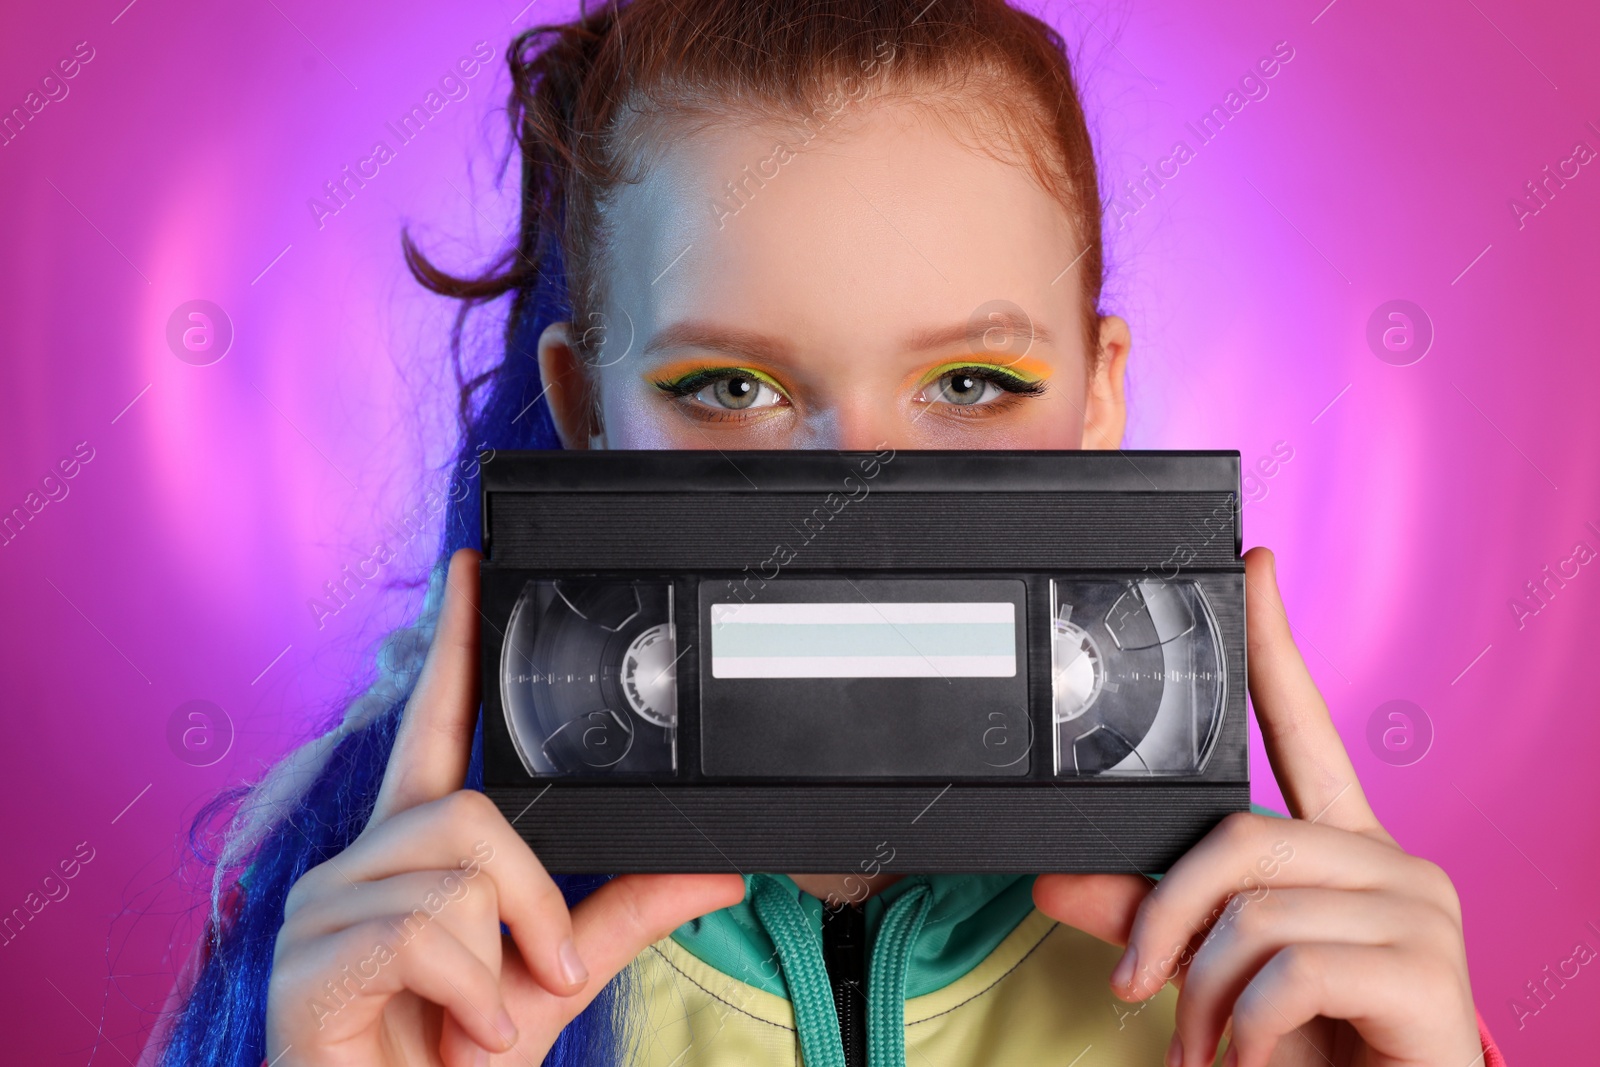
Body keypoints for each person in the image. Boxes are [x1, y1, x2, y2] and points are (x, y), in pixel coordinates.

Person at [149, 2, 1503, 1065]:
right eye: (728, 389)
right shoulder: (394, 971)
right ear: (584, 412)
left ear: (1100, 403)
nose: (859, 508)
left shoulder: (1276, 983)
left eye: (973, 384)